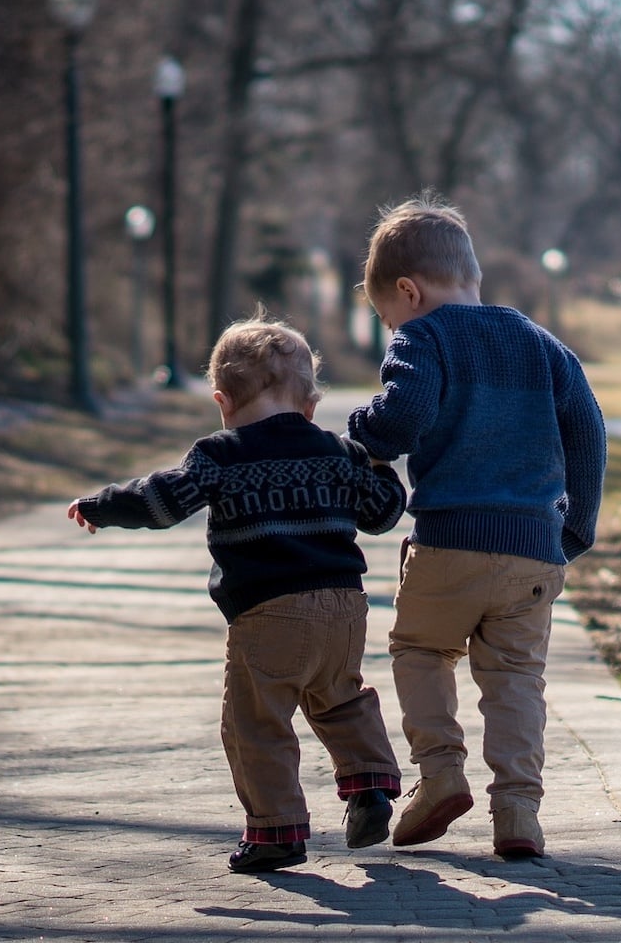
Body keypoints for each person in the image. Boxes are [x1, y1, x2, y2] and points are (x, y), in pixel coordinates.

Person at [66, 315, 409, 874]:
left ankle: (276, 831)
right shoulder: (336, 451)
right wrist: (381, 464)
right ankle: (370, 786)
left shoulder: (220, 454)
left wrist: (104, 505)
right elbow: (382, 514)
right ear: (310, 403)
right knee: (341, 697)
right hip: (344, 607)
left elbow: (163, 501)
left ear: (222, 400)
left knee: (256, 722)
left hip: (268, 612)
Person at [348, 194, 605, 859]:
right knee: (517, 677)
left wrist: (363, 430)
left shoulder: (423, 337)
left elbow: (400, 420)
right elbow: (589, 431)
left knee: (420, 650)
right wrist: (575, 529)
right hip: (533, 553)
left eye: (386, 316)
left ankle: (439, 774)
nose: (390, 327)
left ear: (409, 291)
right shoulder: (539, 343)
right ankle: (518, 812)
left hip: (450, 542)